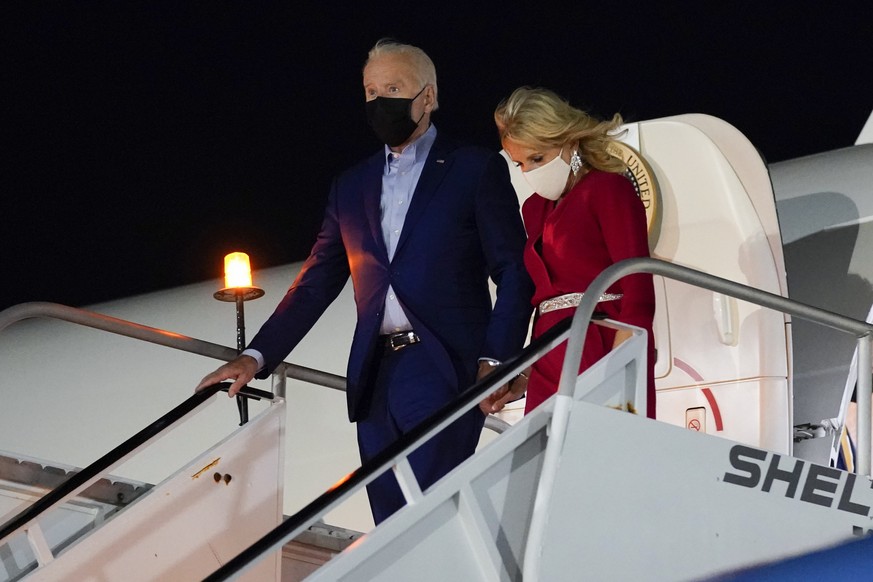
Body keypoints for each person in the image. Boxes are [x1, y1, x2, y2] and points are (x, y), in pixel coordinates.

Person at [196, 40, 533, 525]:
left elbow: (513, 270)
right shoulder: (350, 185)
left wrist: (496, 359)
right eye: (371, 91)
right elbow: (315, 283)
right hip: (375, 375)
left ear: (428, 97)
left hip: (443, 365)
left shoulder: (472, 168)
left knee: (429, 515)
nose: (379, 102)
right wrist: (256, 356)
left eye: (393, 88)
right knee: (390, 523)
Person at [480, 86, 656, 419]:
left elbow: (636, 283)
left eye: (537, 158)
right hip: (549, 350)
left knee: (601, 455)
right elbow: (545, 298)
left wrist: (628, 355)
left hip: (601, 337)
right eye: (520, 163)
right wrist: (527, 369)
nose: (529, 172)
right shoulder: (534, 209)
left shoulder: (608, 188)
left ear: (570, 142)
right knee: (551, 460)